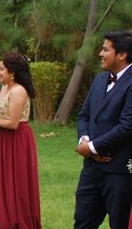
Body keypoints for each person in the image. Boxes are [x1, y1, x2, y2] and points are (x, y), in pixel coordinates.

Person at [73, 30, 132, 229]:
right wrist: (84, 140)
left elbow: (127, 126)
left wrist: (93, 147)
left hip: (119, 171)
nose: (100, 53)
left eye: (105, 49)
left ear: (122, 54)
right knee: (82, 222)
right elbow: (83, 115)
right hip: (91, 171)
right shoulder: (99, 80)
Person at [0, 53, 41, 229]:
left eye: (1, 69)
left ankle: (20, 219)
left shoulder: (18, 91)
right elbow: (2, 115)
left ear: (12, 72)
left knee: (19, 179)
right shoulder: (4, 88)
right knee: (6, 178)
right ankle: (7, 217)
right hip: (5, 138)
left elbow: (13, 124)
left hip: (19, 139)